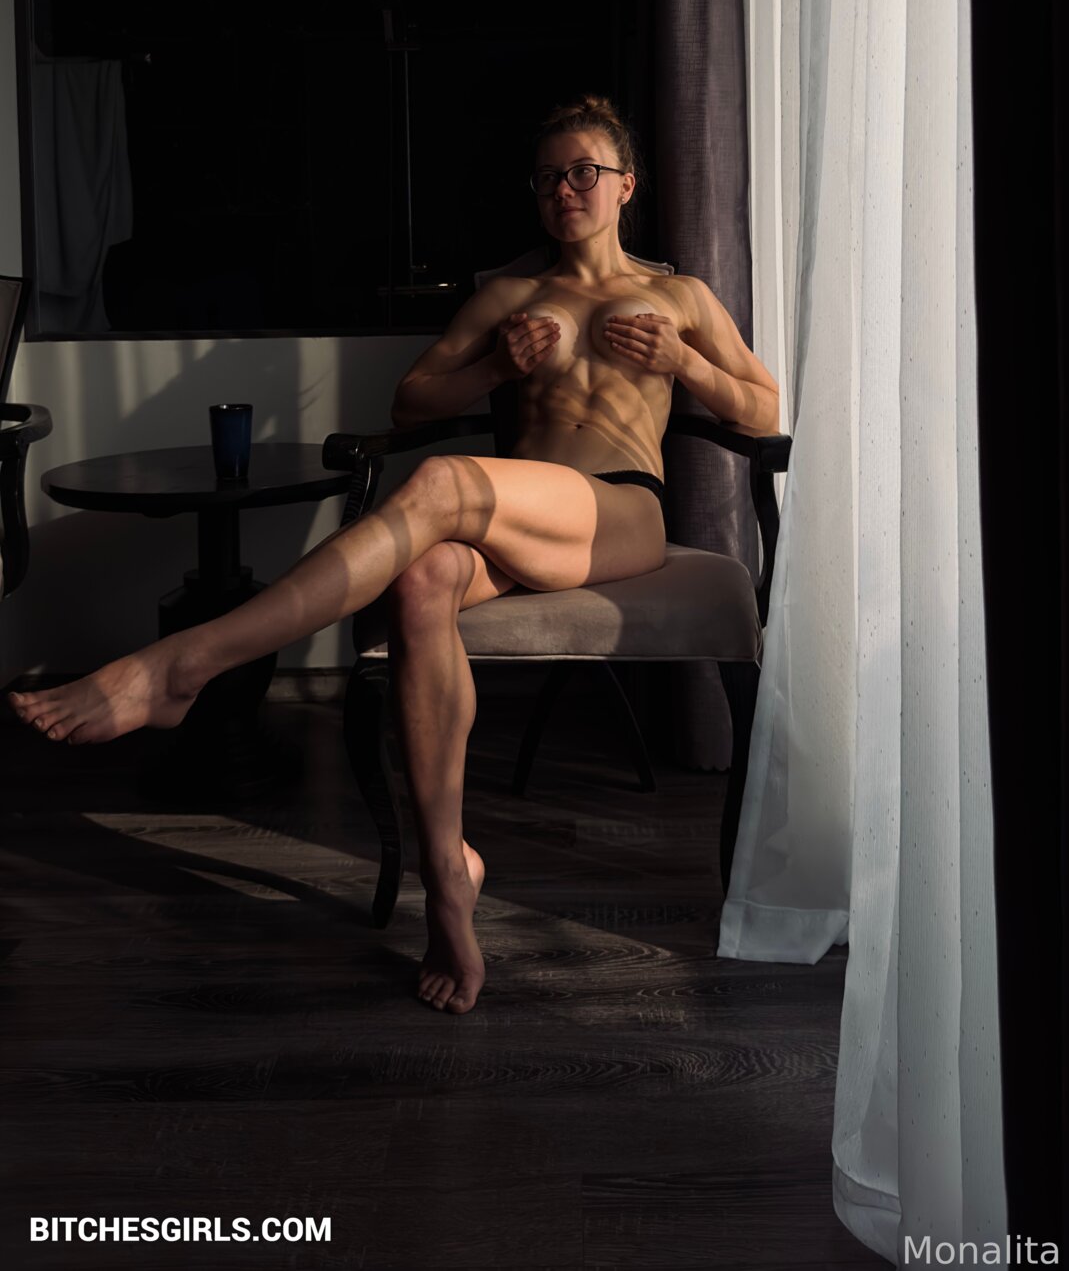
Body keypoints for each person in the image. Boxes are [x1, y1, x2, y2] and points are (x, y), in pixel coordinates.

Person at [8, 94, 779, 1015]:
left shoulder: (679, 297)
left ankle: (186, 664)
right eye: (547, 178)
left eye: (583, 172)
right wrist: (496, 368)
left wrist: (685, 363)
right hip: (510, 517)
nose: (563, 190)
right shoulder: (507, 296)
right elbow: (412, 402)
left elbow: (765, 411)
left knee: (445, 481)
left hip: (618, 511)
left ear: (626, 187)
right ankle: (447, 873)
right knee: (422, 579)